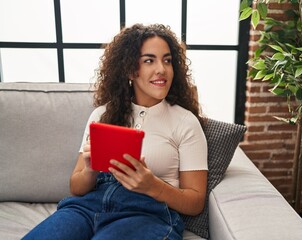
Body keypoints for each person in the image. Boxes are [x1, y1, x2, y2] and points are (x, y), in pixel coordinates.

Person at [23, 23, 208, 240]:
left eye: (167, 60)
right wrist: (90, 170)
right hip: (86, 208)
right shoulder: (102, 115)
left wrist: (153, 186)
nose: (162, 69)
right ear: (130, 70)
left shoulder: (186, 122)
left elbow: (195, 202)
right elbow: (76, 187)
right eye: (149, 60)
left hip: (146, 213)